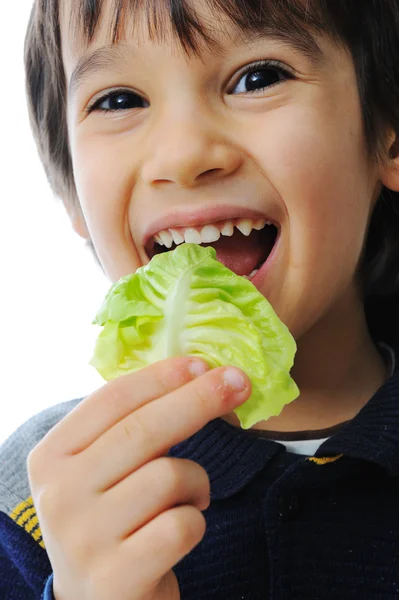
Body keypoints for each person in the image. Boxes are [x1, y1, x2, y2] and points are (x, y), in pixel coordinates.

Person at [1, 0, 399, 598]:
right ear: (74, 198)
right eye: (118, 101)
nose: (184, 156)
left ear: (387, 137)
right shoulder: (42, 493)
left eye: (258, 78)